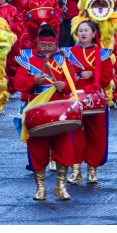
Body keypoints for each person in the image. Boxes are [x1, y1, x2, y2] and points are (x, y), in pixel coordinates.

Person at [13, 25, 75, 201]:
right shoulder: (27, 60)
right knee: (37, 149)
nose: (46, 49)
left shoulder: (63, 61)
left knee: (64, 147)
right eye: (43, 46)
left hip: (60, 111)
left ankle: (60, 186)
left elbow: (72, 84)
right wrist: (33, 80)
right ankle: (40, 188)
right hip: (36, 111)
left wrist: (65, 86)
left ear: (55, 43)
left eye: (50, 46)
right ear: (37, 43)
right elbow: (17, 83)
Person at [63, 20, 113, 184]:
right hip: (75, 98)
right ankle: (76, 169)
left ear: (93, 33)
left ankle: (92, 169)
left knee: (96, 134)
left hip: (95, 99)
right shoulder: (69, 53)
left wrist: (92, 75)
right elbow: (64, 75)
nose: (83, 33)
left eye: (86, 30)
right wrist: (74, 77)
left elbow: (107, 77)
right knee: (73, 133)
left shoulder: (102, 53)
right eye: (80, 30)